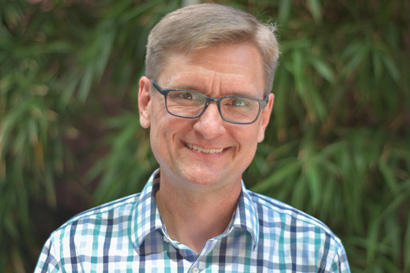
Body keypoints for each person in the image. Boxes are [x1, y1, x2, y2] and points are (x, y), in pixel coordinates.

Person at [35, 3, 350, 272]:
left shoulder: (314, 256)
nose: (209, 127)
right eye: (186, 95)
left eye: (238, 102)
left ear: (263, 117)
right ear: (146, 102)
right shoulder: (73, 255)